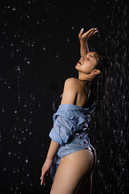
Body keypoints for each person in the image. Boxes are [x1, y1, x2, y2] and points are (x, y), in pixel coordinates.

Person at [40, 27, 110, 194]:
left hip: (75, 154)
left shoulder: (72, 83)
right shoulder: (89, 89)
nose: (82, 58)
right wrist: (83, 42)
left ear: (95, 71)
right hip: (88, 154)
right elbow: (86, 64)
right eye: (84, 56)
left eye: (89, 58)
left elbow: (62, 125)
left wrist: (48, 160)